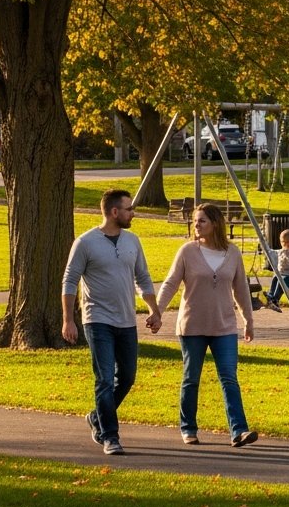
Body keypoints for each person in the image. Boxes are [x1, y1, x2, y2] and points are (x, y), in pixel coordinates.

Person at [62, 189, 163, 456]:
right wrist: (68, 320)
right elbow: (69, 280)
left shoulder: (132, 241)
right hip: (97, 320)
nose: (133, 213)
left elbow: (143, 277)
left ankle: (97, 416)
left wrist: (154, 310)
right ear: (114, 212)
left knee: (127, 377)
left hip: (127, 320)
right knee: (105, 379)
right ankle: (110, 436)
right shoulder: (85, 243)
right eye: (129, 209)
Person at [154, 203, 259, 448]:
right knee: (191, 378)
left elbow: (241, 290)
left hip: (224, 326)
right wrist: (156, 311)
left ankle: (239, 430)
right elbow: (170, 283)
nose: (196, 225)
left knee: (229, 378)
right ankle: (188, 428)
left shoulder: (232, 253)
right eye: (195, 221)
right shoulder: (187, 251)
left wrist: (248, 321)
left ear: (215, 224)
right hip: (192, 326)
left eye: (201, 221)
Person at [264, 229, 289, 311]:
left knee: (281, 280)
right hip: (281, 276)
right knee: (275, 278)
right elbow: (271, 252)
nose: (286, 244)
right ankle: (271, 296)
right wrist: (264, 243)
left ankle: (276, 299)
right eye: (283, 242)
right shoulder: (281, 252)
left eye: (288, 242)